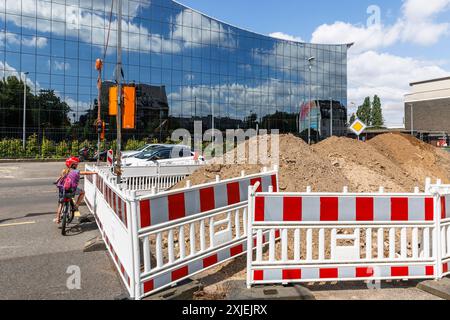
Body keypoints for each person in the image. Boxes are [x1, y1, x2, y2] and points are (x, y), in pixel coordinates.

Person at [54, 156, 86, 224]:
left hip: (63, 190)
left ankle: (58, 218)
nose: (77, 165)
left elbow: (60, 177)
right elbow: (84, 173)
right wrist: (94, 173)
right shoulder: (75, 172)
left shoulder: (64, 171)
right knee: (82, 192)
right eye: (76, 164)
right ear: (73, 164)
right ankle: (76, 206)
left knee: (60, 204)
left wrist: (56, 181)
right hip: (71, 190)